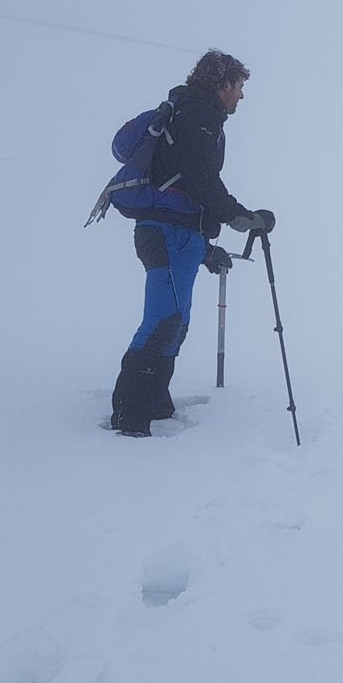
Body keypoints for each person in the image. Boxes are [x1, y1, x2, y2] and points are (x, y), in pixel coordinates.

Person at [109, 50, 274, 437]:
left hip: (178, 234)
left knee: (175, 319)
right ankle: (129, 416)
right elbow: (199, 178)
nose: (241, 96)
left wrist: (204, 247)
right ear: (221, 84)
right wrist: (239, 217)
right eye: (239, 86)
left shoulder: (192, 114)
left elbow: (184, 186)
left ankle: (154, 403)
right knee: (164, 319)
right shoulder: (199, 116)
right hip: (169, 233)